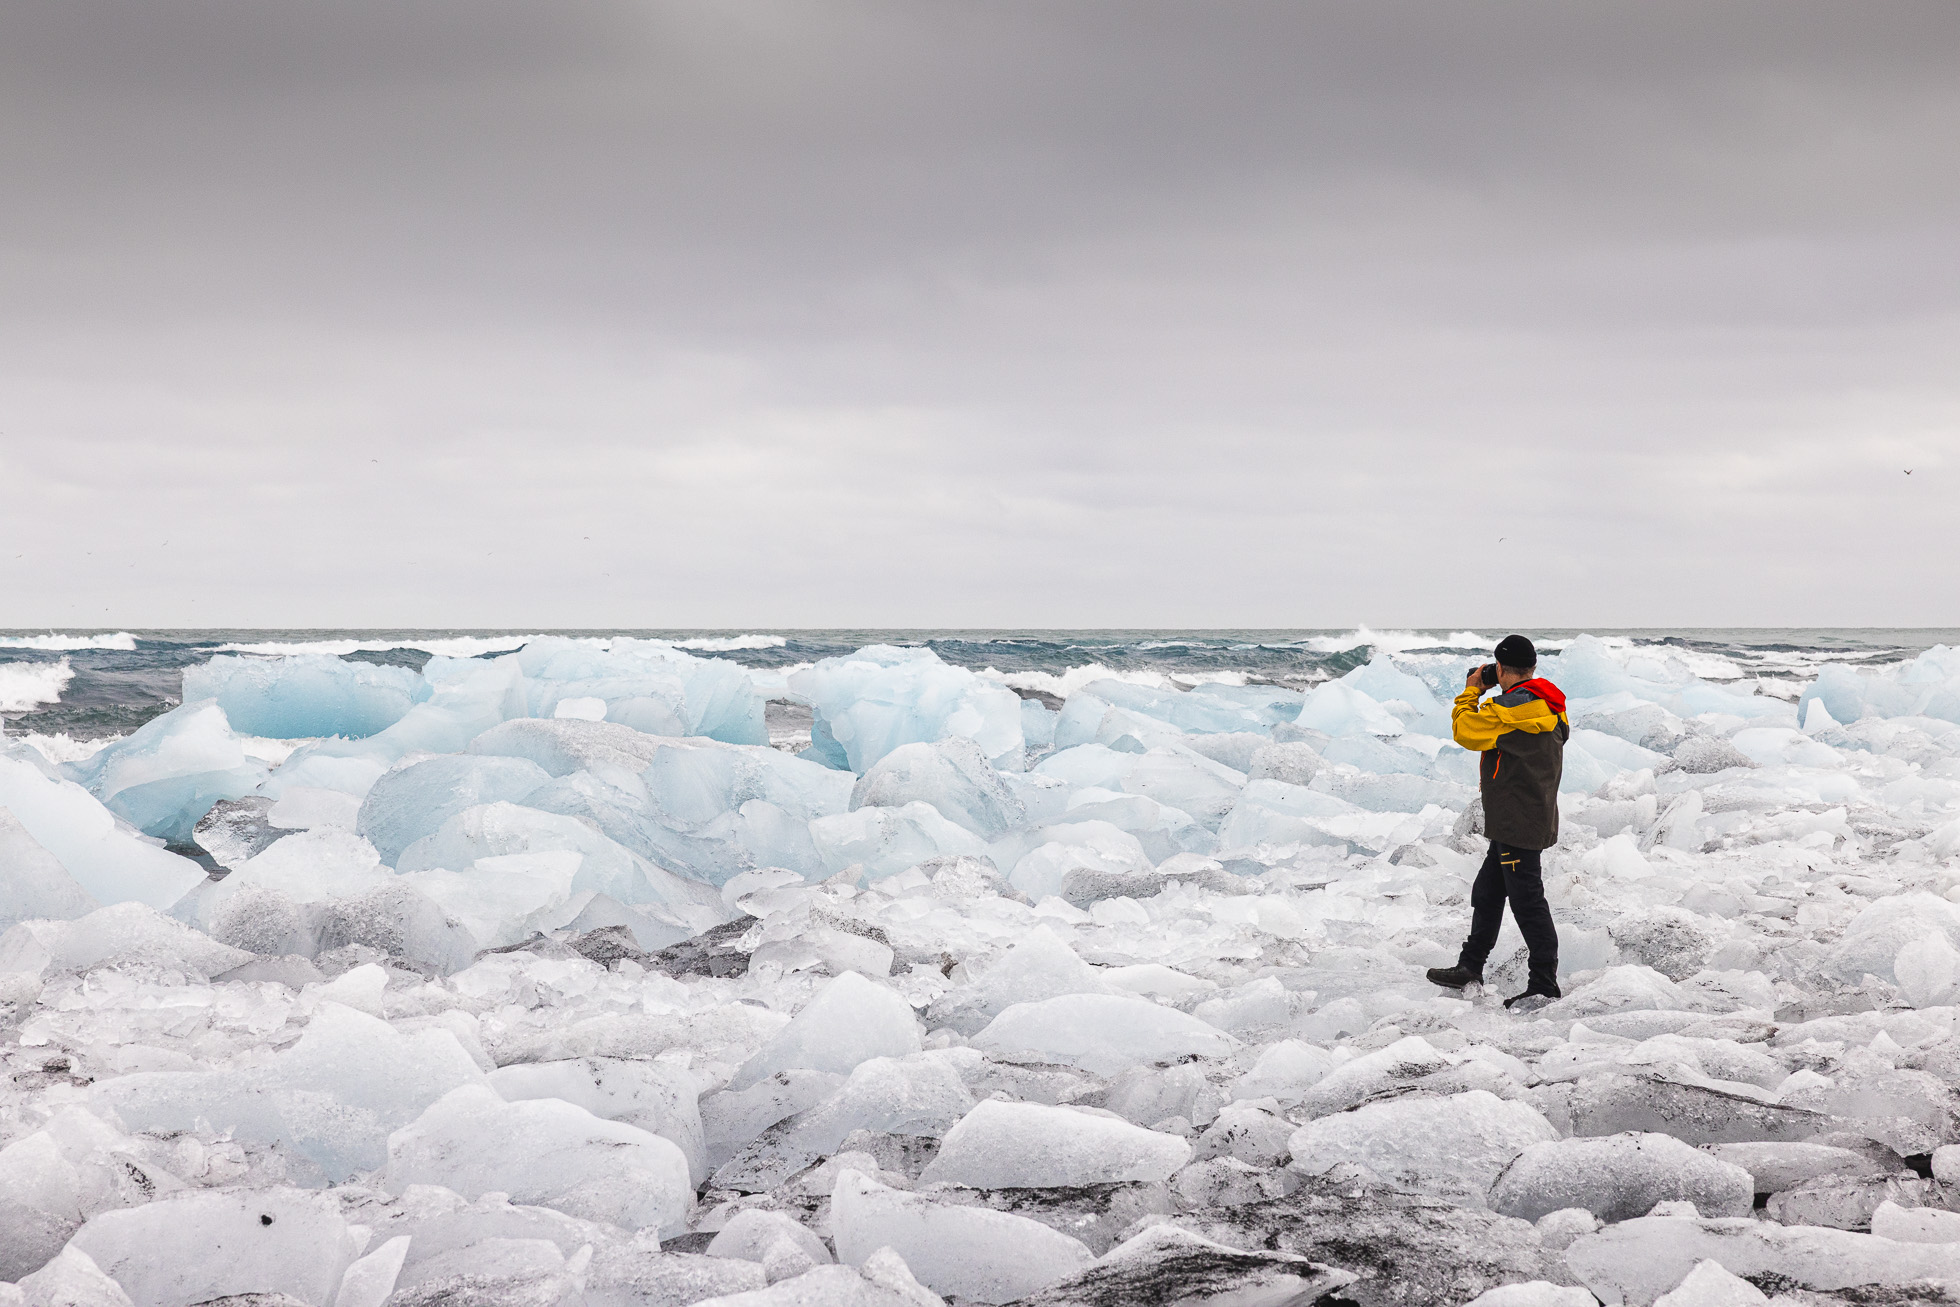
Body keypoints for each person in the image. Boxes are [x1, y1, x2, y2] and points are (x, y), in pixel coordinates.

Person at [1426, 634, 1570, 1008]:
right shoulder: (1550, 703)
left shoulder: (1508, 710)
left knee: (1528, 902)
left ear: (1501, 668)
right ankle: (1470, 966)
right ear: (1533, 668)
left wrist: (1471, 690)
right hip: (1529, 813)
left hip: (1516, 820)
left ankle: (1544, 982)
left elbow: (1466, 730)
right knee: (1488, 893)